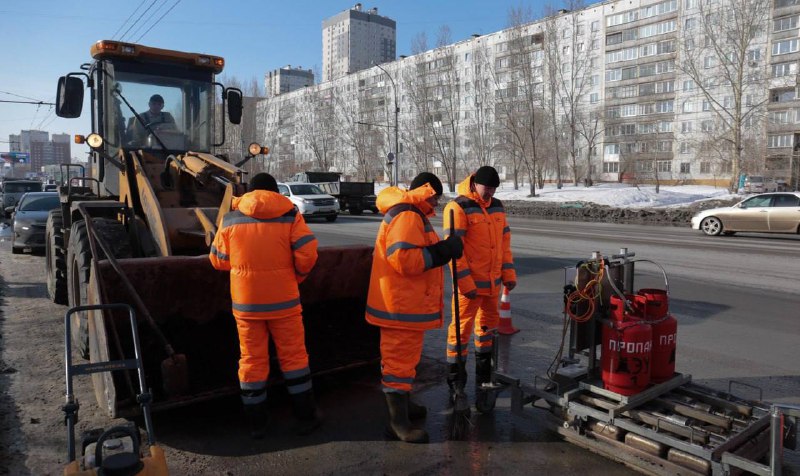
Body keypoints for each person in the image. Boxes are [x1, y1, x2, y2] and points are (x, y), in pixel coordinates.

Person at [209, 172, 321, 439]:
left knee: (251, 359)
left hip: (247, 305)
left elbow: (218, 260)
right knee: (294, 356)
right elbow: (307, 253)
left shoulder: (231, 218)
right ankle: (305, 416)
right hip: (285, 302)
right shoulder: (290, 214)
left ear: (250, 191)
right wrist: (295, 278)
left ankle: (257, 422)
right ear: (275, 191)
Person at [366, 172, 463, 444]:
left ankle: (404, 407)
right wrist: (445, 250)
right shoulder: (407, 214)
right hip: (400, 306)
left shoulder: (412, 214)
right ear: (427, 191)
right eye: (436, 196)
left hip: (405, 304)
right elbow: (405, 260)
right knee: (398, 364)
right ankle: (397, 424)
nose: (437, 202)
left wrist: (444, 248)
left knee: (405, 361)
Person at [443, 166, 517, 409]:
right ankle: (456, 383)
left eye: (494, 188)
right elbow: (455, 251)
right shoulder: (458, 207)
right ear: (475, 184)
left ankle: (484, 379)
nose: (490, 193)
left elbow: (504, 245)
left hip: (492, 286)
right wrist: (465, 283)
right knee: (460, 333)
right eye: (487, 188)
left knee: (486, 331)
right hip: (470, 288)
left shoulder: (497, 207)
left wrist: (508, 274)